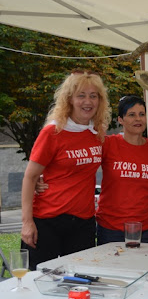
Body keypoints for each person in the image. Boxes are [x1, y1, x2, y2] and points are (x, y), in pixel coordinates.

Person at [21, 70, 109, 269]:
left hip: (83, 223)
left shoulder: (97, 133)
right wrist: (27, 222)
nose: (88, 101)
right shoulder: (53, 132)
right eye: (81, 95)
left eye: (93, 96)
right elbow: (30, 177)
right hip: (47, 221)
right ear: (69, 99)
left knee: (79, 281)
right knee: (40, 281)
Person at [95, 96, 148, 244]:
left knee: (144, 267)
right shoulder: (108, 144)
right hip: (111, 228)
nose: (138, 119)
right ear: (120, 120)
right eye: (131, 115)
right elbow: (82, 166)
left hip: (147, 228)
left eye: (142, 114)